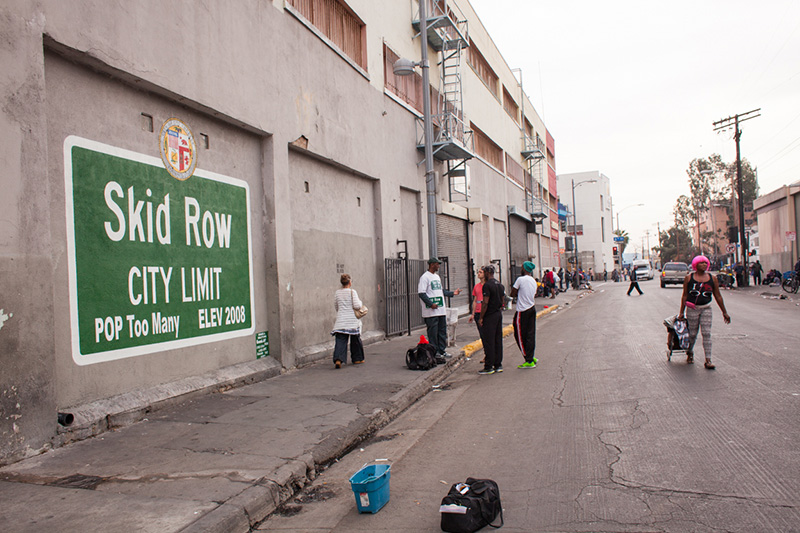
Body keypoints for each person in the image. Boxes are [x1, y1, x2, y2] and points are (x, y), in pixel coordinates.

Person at [680, 255, 731, 369]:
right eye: (701, 263)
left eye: (705, 263)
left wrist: (724, 312)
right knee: (692, 334)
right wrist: (681, 313)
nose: (703, 265)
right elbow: (684, 296)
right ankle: (690, 352)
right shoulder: (689, 278)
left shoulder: (712, 279)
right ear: (695, 265)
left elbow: (718, 296)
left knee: (706, 333)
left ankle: (708, 360)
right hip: (692, 309)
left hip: (706, 308)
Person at [418, 257, 461, 361]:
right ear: (432, 264)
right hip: (430, 312)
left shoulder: (437, 277)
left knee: (442, 331)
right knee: (433, 333)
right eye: (437, 264)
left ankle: (442, 350)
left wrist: (452, 293)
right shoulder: (424, 277)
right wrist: (431, 304)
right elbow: (421, 293)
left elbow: (440, 291)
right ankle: (434, 352)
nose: (439, 266)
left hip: (441, 310)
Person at [331, 273, 365, 369]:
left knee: (340, 340)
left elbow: (336, 306)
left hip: (341, 320)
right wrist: (361, 302)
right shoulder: (352, 292)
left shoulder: (337, 292)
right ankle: (357, 358)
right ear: (350, 282)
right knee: (355, 340)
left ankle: (338, 359)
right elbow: (357, 305)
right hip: (352, 321)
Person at [510, 261, 538, 369]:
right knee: (530, 334)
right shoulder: (533, 281)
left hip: (522, 310)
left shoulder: (520, 279)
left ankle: (528, 359)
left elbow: (513, 293)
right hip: (532, 308)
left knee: (520, 335)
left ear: (524, 269)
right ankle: (531, 356)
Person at [478, 264, 505, 375]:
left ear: (487, 273)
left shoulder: (487, 285)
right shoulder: (500, 285)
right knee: (498, 340)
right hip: (498, 313)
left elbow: (485, 302)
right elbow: (503, 300)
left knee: (489, 341)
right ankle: (498, 364)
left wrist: (481, 317)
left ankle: (489, 366)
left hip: (490, 315)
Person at [467, 266, 485, 333]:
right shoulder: (476, 286)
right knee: (481, 332)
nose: (479, 274)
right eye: (478, 272)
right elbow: (475, 300)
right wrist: (473, 314)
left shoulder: (488, 285)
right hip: (478, 312)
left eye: (481, 272)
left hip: (485, 312)